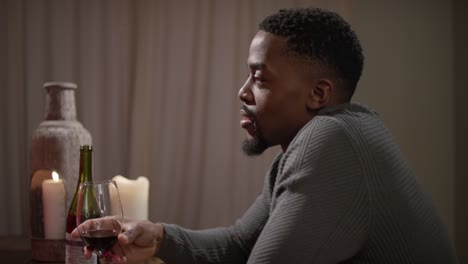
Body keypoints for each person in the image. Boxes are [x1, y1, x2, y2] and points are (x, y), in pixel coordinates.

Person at [72, 7, 458, 263]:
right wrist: (156, 236)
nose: (243, 92)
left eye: (259, 78)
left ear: (318, 93)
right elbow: (240, 244)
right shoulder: (325, 139)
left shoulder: (333, 141)